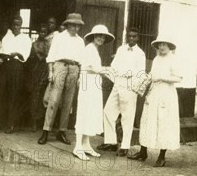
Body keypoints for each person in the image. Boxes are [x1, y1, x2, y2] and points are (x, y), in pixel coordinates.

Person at [128, 36, 182, 167]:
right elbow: (152, 75)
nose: (162, 47)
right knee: (147, 120)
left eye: (164, 44)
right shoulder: (157, 59)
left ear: (170, 46)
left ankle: (162, 156)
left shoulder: (173, 60)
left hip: (166, 94)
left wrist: (162, 78)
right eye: (160, 45)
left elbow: (178, 78)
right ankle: (143, 152)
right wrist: (144, 84)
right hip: (154, 92)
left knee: (163, 122)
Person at [38, 13, 85, 145]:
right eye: (74, 25)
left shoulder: (80, 41)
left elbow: (82, 60)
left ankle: (61, 131)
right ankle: (46, 131)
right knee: (53, 100)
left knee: (68, 102)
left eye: (78, 26)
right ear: (68, 24)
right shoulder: (58, 37)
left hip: (74, 69)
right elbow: (51, 56)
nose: (76, 28)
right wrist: (51, 72)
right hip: (60, 66)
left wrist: (79, 75)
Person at [73, 24, 116, 161]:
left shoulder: (95, 50)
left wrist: (106, 70)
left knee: (91, 113)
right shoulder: (89, 49)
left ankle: (86, 144)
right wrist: (111, 71)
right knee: (84, 113)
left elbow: (96, 69)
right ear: (93, 36)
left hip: (94, 85)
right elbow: (93, 68)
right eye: (98, 35)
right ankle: (78, 146)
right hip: (88, 85)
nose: (101, 38)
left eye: (103, 36)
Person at [101, 27, 145, 157]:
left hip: (130, 85)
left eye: (134, 36)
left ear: (138, 38)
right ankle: (111, 142)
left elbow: (141, 73)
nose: (131, 38)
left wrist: (133, 86)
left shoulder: (140, 53)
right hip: (118, 83)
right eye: (129, 36)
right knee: (108, 111)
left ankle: (125, 145)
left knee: (127, 116)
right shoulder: (120, 50)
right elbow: (114, 66)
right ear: (127, 36)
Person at [0, 15, 32, 133]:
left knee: (13, 94)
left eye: (18, 25)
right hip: (5, 65)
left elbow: (25, 55)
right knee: (1, 92)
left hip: (17, 67)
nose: (16, 27)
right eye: (14, 25)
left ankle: (11, 124)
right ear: (11, 25)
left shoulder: (26, 39)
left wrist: (17, 53)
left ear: (21, 25)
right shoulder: (7, 37)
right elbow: (3, 50)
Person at [27, 23, 51, 131]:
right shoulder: (34, 44)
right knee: (35, 95)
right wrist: (44, 53)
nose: (42, 34)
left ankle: (42, 120)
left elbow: (49, 55)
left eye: (44, 32)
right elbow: (40, 57)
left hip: (46, 70)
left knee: (44, 95)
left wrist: (44, 53)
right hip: (37, 70)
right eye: (41, 31)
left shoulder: (48, 43)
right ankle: (33, 121)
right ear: (38, 32)